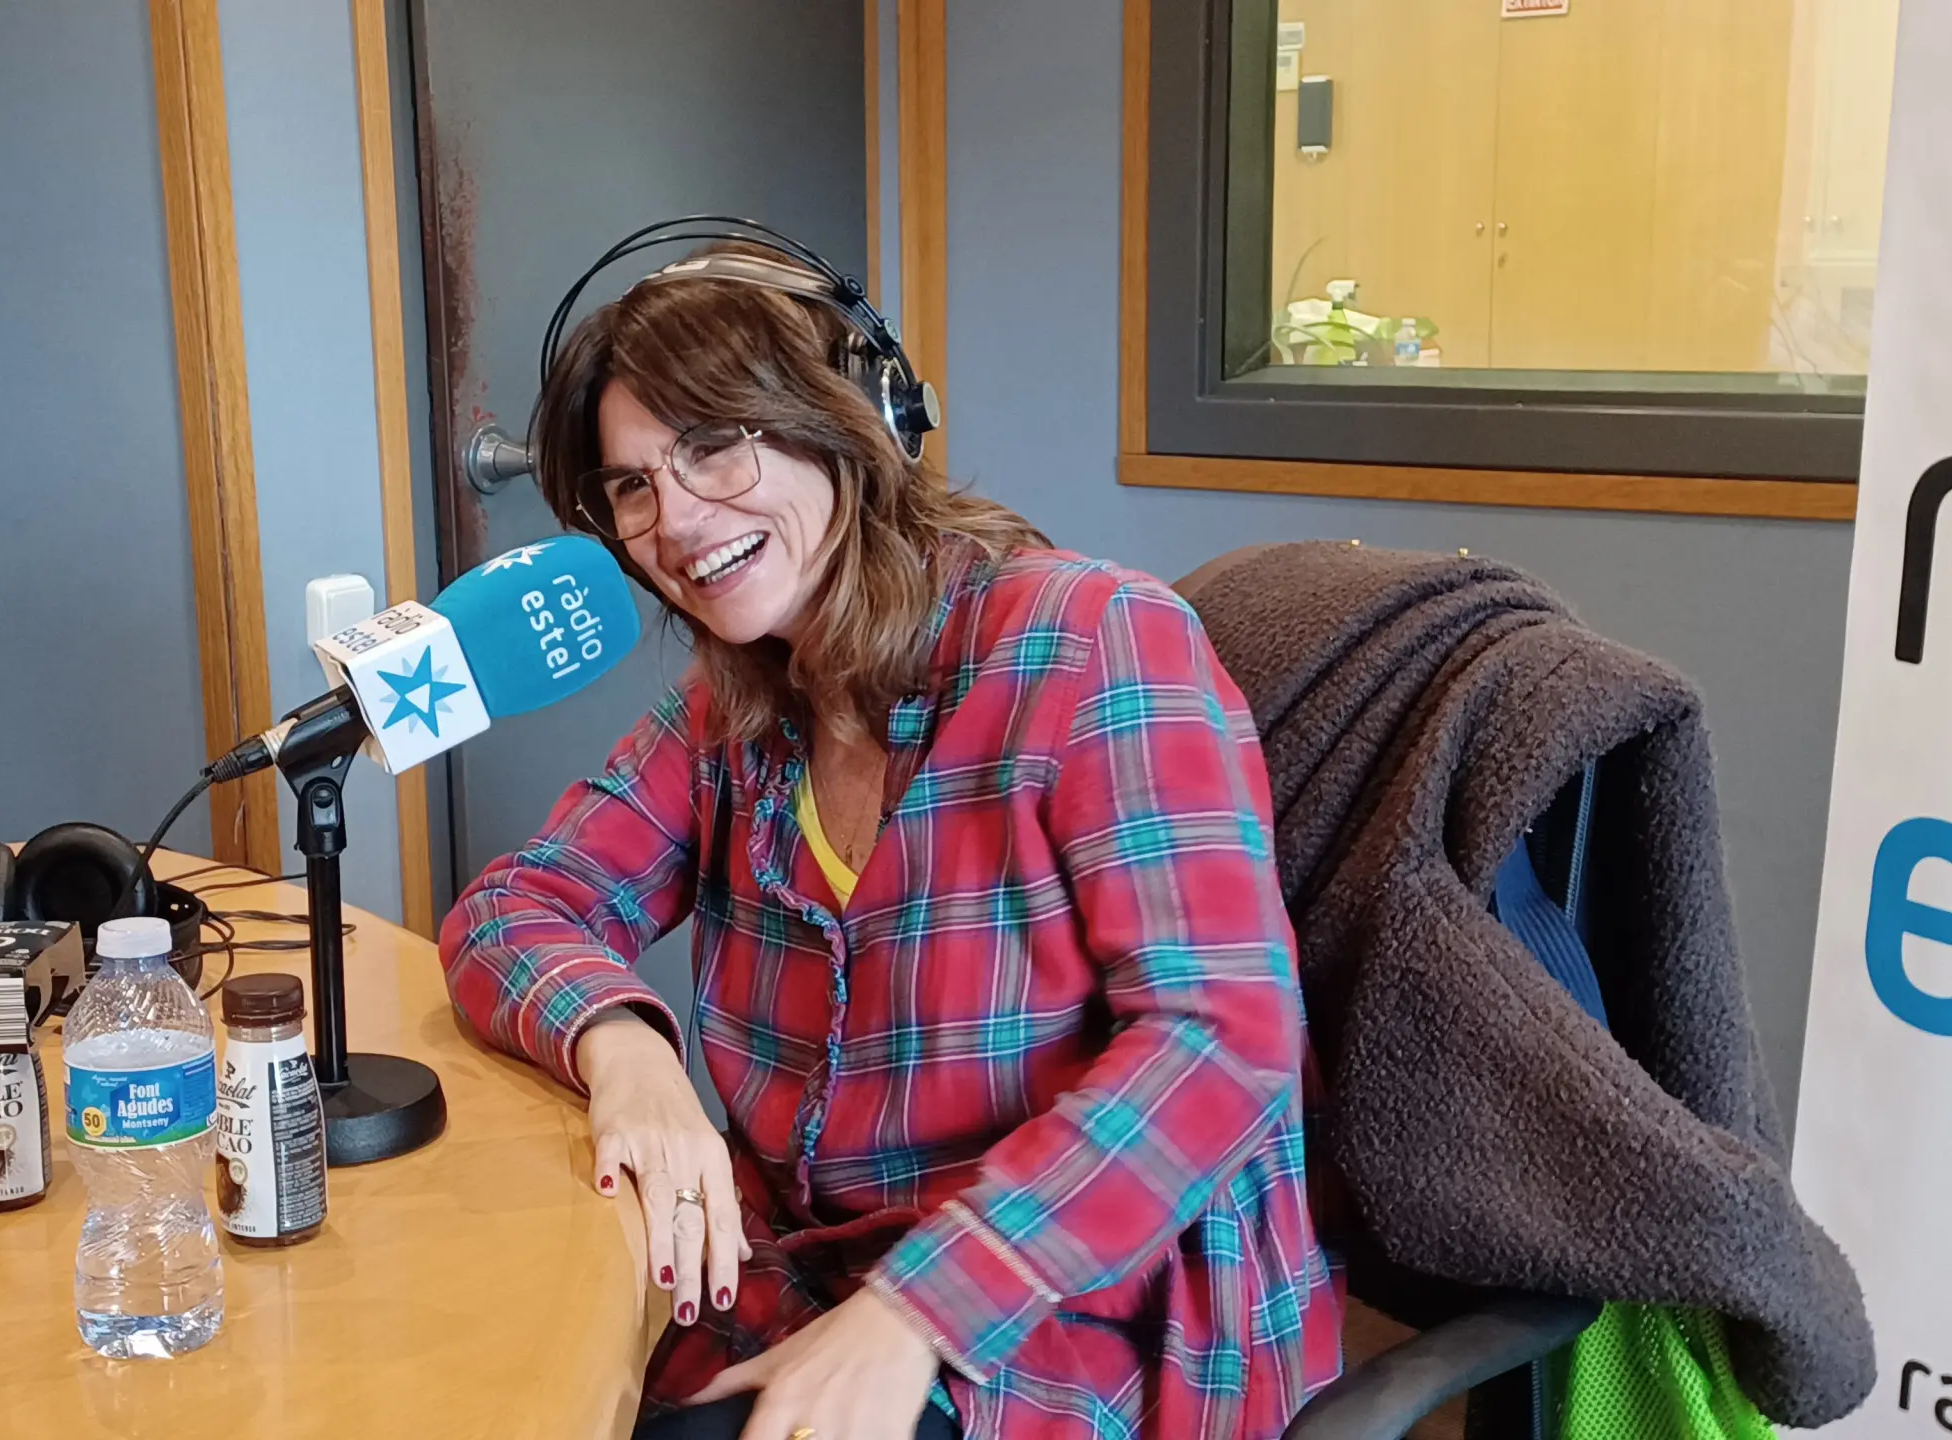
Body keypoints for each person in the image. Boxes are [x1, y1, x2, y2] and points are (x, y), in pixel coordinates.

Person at [441, 242, 1339, 1440]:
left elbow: (1222, 1038)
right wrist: (623, 1049)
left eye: (713, 444)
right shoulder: (728, 710)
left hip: (1074, 1312)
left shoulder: (1092, 640)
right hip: (808, 1277)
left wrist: (919, 1312)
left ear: (844, 421)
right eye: (632, 486)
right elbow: (514, 908)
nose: (675, 519)